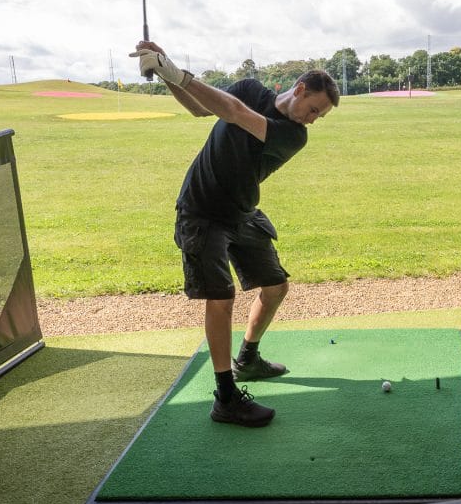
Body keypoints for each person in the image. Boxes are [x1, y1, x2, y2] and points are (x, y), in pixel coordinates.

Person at [131, 41, 339, 427]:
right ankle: (226, 397)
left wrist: (173, 70)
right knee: (221, 298)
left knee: (275, 286)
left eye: (320, 116)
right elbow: (199, 107)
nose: (313, 119)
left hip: (241, 212)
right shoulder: (248, 88)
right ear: (299, 89)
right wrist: (164, 72)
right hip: (201, 210)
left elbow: (235, 113)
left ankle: (248, 358)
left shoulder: (293, 135)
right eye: (313, 109)